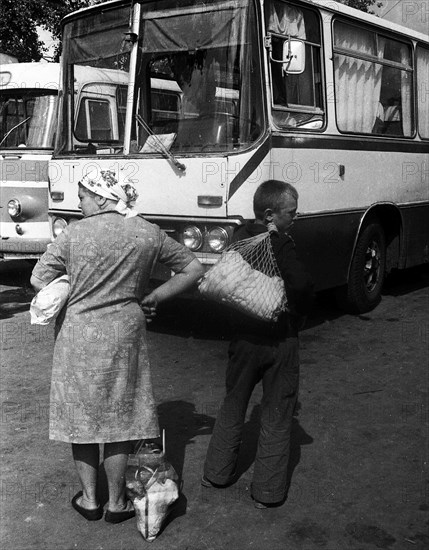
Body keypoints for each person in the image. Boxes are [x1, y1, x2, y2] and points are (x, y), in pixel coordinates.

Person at [30, 169, 204, 523]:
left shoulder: (72, 235)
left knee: (81, 419)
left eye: (82, 198)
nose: (79, 205)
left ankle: (91, 500)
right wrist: (154, 296)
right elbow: (193, 268)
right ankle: (117, 503)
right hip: (125, 335)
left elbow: (37, 278)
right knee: (120, 419)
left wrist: (70, 286)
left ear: (99, 196)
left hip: (77, 336)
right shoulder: (147, 232)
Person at [202, 179, 314, 508]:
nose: (295, 217)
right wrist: (302, 313)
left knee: (233, 405)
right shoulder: (280, 243)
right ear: (270, 214)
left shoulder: (239, 238)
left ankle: (216, 474)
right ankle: (267, 493)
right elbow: (302, 287)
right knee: (278, 416)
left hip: (242, 343)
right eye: (290, 212)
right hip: (280, 342)